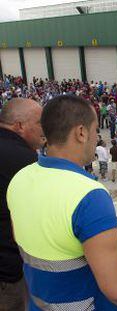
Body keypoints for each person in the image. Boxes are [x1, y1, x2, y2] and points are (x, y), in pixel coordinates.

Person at [7, 95, 117, 310]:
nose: (97, 136)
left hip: (37, 303)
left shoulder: (20, 178)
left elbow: (23, 240)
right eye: (96, 129)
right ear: (81, 133)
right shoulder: (88, 195)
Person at [0, 98, 43, 311]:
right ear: (19, 126)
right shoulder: (24, 160)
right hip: (7, 272)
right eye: (40, 123)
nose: (44, 129)